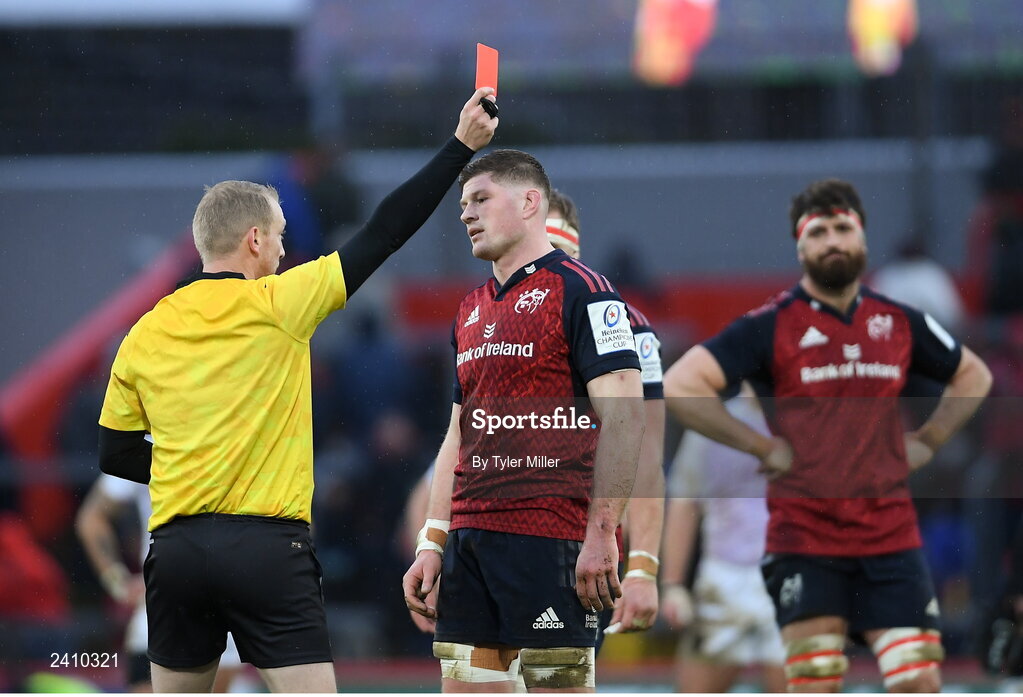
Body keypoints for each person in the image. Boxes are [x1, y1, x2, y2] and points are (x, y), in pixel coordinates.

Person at [97, 88, 498, 693]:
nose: (286, 250)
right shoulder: (282, 301)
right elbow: (384, 232)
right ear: (255, 240)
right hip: (266, 548)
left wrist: (193, 463)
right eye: (281, 235)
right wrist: (460, 148)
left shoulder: (144, 331)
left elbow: (114, 454)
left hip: (175, 552)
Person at [662, 178, 992, 692]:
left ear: (862, 239)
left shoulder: (898, 321)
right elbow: (682, 384)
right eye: (818, 232)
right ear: (800, 246)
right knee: (815, 685)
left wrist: (929, 439)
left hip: (890, 537)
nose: (832, 240)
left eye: (843, 228)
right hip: (805, 541)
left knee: (919, 682)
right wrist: (762, 445)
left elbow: (975, 375)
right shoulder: (769, 326)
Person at [402, 151, 646, 693]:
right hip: (469, 546)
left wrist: (603, 531)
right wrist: (432, 540)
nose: (466, 214)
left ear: (530, 201)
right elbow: (455, 438)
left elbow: (626, 421)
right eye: (463, 204)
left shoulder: (586, 292)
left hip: (549, 540)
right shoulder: (468, 309)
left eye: (482, 199)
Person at [660, 382, 786, 693]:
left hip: (790, 574)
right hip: (723, 579)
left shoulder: (809, 421)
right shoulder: (710, 424)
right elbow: (683, 505)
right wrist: (673, 584)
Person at [76, 474, 248, 692]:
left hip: (224, 602)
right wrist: (119, 584)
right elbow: (92, 517)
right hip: (162, 603)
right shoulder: (149, 442)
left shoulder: (239, 443)